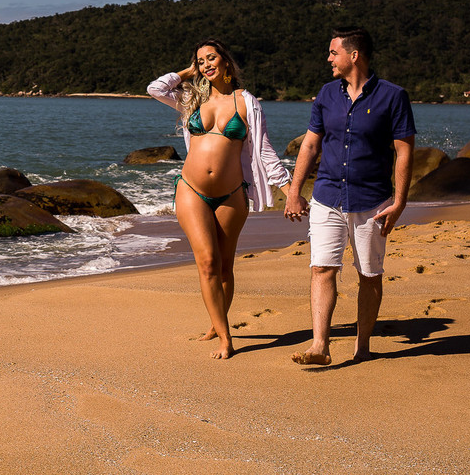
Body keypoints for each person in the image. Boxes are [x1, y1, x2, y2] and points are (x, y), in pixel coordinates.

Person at [148, 39, 292, 360]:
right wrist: (187, 72)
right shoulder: (190, 98)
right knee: (209, 263)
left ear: (226, 60)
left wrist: (288, 188)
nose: (206, 65)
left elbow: (264, 150)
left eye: (211, 58)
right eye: (200, 62)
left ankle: (217, 322)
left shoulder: (247, 103)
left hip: (231, 194)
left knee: (226, 267)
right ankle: (226, 338)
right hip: (191, 190)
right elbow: (155, 88)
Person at [284, 26, 416, 365]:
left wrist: (399, 202)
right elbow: (311, 144)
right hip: (327, 195)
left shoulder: (393, 96)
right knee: (321, 268)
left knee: (368, 274)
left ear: (353, 55)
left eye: (333, 52)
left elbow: (404, 151)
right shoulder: (326, 94)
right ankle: (319, 346)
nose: (328, 58)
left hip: (373, 201)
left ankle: (363, 347)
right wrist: (294, 191)